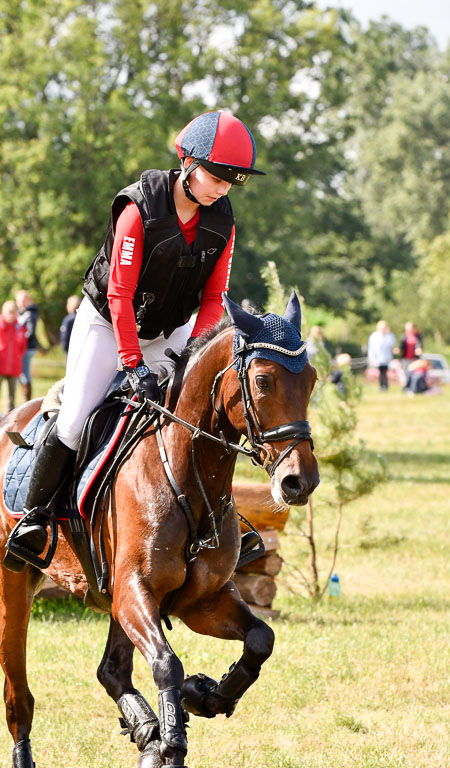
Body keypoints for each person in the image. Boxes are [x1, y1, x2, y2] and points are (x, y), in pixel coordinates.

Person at [5, 110, 266, 572]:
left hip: (169, 329)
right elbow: (120, 295)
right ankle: (35, 517)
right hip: (108, 323)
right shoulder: (139, 208)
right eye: (216, 176)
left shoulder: (222, 223)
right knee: (76, 419)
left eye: (232, 181)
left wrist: (191, 358)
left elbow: (213, 299)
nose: (223, 188)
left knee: (197, 415)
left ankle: (218, 520)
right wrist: (133, 364)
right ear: (188, 163)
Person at [0, 300, 27, 413]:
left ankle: (8, 419)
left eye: (14, 312)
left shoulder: (20, 328)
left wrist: (16, 357)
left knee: (11, 398)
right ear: (3, 312)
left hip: (14, 366)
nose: (11, 315)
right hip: (1, 364)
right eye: (9, 312)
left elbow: (23, 347)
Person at [16, 290, 39, 401]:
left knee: (24, 374)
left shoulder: (30, 314)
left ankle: (27, 400)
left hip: (27, 347)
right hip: (23, 347)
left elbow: (30, 332)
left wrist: (19, 340)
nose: (20, 303)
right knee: (22, 374)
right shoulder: (23, 313)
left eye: (22, 300)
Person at [367, 320, 397, 392]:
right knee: (381, 372)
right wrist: (371, 358)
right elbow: (371, 348)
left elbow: (393, 344)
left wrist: (388, 334)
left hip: (387, 357)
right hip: (378, 358)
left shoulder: (389, 335)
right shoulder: (374, 336)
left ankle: (385, 385)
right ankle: (382, 386)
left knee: (385, 371)